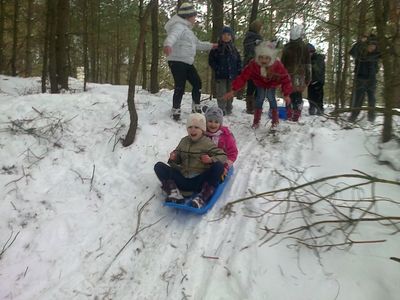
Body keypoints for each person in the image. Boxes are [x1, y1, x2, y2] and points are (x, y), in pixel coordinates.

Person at [154, 113, 227, 208]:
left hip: (199, 181)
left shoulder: (206, 143)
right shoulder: (183, 141)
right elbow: (177, 160)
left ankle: (203, 195)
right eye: (190, 127)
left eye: (196, 127)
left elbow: (222, 156)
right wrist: (174, 157)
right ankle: (175, 194)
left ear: (202, 130)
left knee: (218, 166)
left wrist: (210, 159)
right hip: (183, 179)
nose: (193, 129)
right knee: (159, 166)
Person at [163, 2, 217, 121]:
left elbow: (198, 44)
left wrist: (211, 46)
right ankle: (176, 110)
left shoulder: (188, 31)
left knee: (197, 82)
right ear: (188, 16)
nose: (195, 19)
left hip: (187, 62)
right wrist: (168, 45)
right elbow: (172, 36)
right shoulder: (178, 26)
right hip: (177, 61)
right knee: (180, 86)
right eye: (194, 16)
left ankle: (196, 106)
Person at [223, 41, 292, 129]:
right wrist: (233, 90)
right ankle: (256, 121)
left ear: (271, 58)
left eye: (267, 58)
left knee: (271, 99)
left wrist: (286, 94)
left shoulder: (277, 65)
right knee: (259, 99)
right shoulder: (253, 64)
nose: (263, 60)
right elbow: (243, 77)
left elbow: (285, 78)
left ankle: (275, 120)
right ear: (257, 57)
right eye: (261, 58)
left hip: (272, 84)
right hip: (260, 83)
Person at [208, 26, 242, 115]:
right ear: (221, 36)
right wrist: (217, 69)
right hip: (221, 75)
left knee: (230, 92)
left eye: (228, 35)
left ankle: (229, 106)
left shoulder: (234, 49)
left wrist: (239, 71)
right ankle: (221, 108)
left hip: (232, 75)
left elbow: (238, 61)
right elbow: (211, 61)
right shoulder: (216, 49)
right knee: (221, 92)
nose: (226, 36)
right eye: (224, 34)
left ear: (231, 37)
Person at [281, 24, 311, 122]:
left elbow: (282, 63)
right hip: (297, 75)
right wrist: (308, 78)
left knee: (291, 94)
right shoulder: (304, 47)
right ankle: (294, 114)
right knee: (295, 95)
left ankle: (292, 114)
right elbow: (308, 65)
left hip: (292, 75)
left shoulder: (289, 47)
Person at [348, 34, 381, 122]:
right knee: (358, 99)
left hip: (372, 78)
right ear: (367, 46)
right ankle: (353, 117)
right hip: (360, 78)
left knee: (372, 99)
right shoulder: (360, 52)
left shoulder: (376, 54)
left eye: (374, 46)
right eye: (370, 46)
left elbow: (385, 51)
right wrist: (360, 42)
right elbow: (352, 52)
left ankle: (371, 119)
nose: (372, 48)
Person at [204, 106, 238, 175]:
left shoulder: (226, 136)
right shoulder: (202, 133)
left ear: (220, 123)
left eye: (216, 122)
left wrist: (226, 165)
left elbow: (232, 152)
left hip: (221, 164)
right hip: (203, 163)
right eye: (210, 121)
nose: (213, 124)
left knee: (217, 170)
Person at [243, 19, 263, 114]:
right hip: (251, 64)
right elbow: (249, 50)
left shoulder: (258, 37)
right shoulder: (250, 37)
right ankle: (250, 107)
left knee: (258, 85)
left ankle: (256, 106)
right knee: (252, 85)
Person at [307, 43, 326, 115]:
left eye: (310, 52)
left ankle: (320, 109)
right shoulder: (308, 59)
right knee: (310, 96)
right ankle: (312, 108)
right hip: (310, 81)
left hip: (318, 80)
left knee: (318, 96)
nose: (309, 54)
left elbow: (319, 70)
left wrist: (312, 65)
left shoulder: (319, 58)